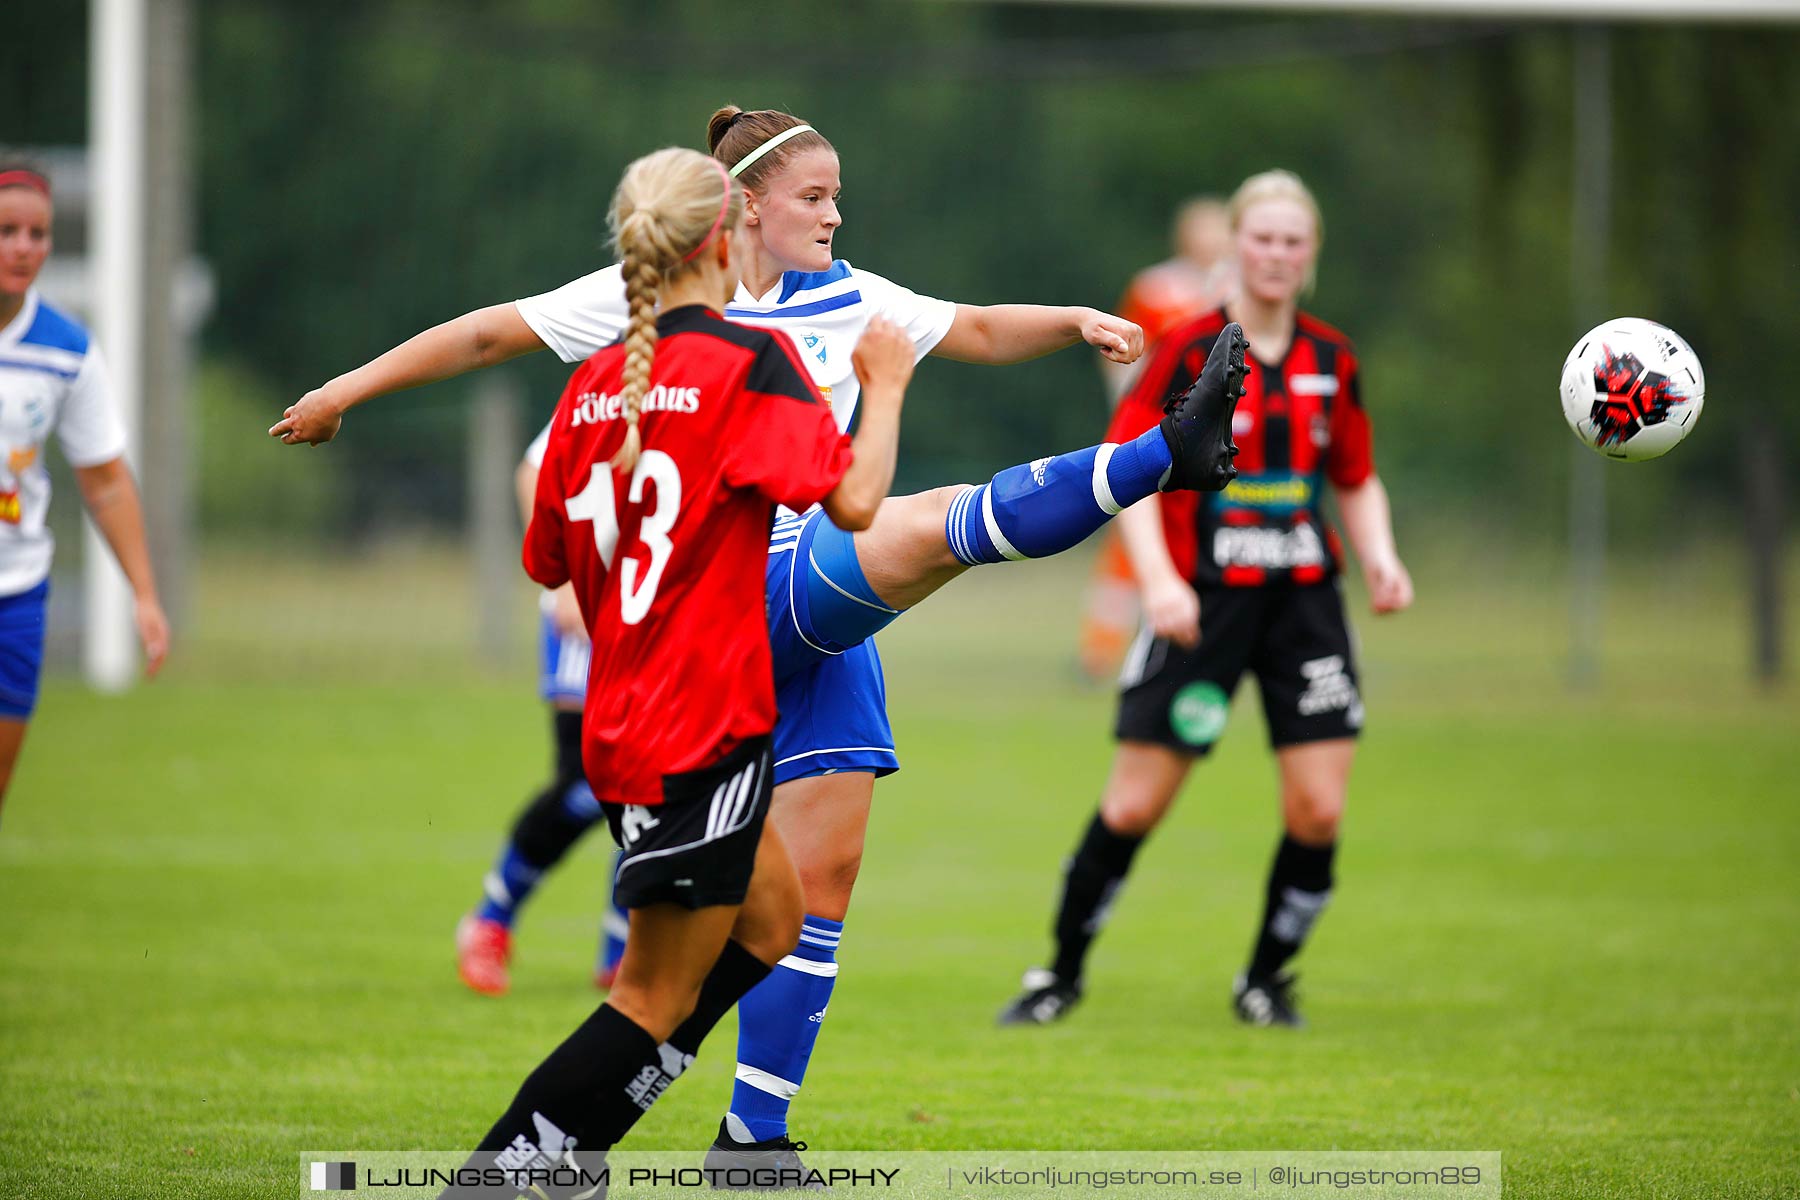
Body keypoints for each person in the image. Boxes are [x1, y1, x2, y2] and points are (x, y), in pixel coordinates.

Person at [271, 107, 1246, 1171]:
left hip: (708, 657)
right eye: (815, 196)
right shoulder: (675, 328)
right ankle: (1158, 456)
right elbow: (489, 336)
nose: (835, 212)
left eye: (836, 195)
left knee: (797, 903)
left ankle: (746, 1141)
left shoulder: (807, 311)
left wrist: (1067, 320)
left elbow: (969, 327)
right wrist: (343, 390)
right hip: (739, 604)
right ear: (736, 215)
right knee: (924, 528)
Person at [439, 145, 910, 1198]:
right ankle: (519, 1168)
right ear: (721, 237)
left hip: (620, 723)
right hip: (704, 726)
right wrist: (882, 387)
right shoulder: (749, 363)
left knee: (772, 920)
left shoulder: (597, 384)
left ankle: (576, 1142)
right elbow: (858, 504)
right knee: (653, 996)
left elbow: (550, 560)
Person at [1000, 169, 1413, 1031]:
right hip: (1202, 603)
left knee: (1320, 807)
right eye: (1261, 238)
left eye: (1292, 241)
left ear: (1311, 257)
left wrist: (1380, 557)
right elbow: (1123, 474)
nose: (1276, 254)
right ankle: (1060, 974)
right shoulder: (1189, 350)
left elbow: (1355, 475)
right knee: (1133, 806)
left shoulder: (1333, 360)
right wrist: (1157, 581)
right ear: (1234, 246)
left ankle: (1266, 980)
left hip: (1303, 605)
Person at [0, 161, 168, 816]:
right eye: (7, 230)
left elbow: (104, 482)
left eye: (37, 233)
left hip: (16, 594)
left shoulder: (66, 349)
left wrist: (145, 595)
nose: (23, 247)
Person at [449, 442, 626, 999]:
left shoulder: (718, 372)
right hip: (590, 607)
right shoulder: (615, 374)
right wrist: (565, 580)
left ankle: (624, 952)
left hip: (661, 611)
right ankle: (490, 920)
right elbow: (534, 468)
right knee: (586, 783)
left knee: (659, 778)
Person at [1080, 196, 1237, 684]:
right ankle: (1100, 652)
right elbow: (1122, 350)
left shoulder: (1241, 287)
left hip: (1224, 435)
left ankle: (1231, 639)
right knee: (1131, 532)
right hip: (1161, 431)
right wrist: (1131, 413)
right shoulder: (1157, 287)